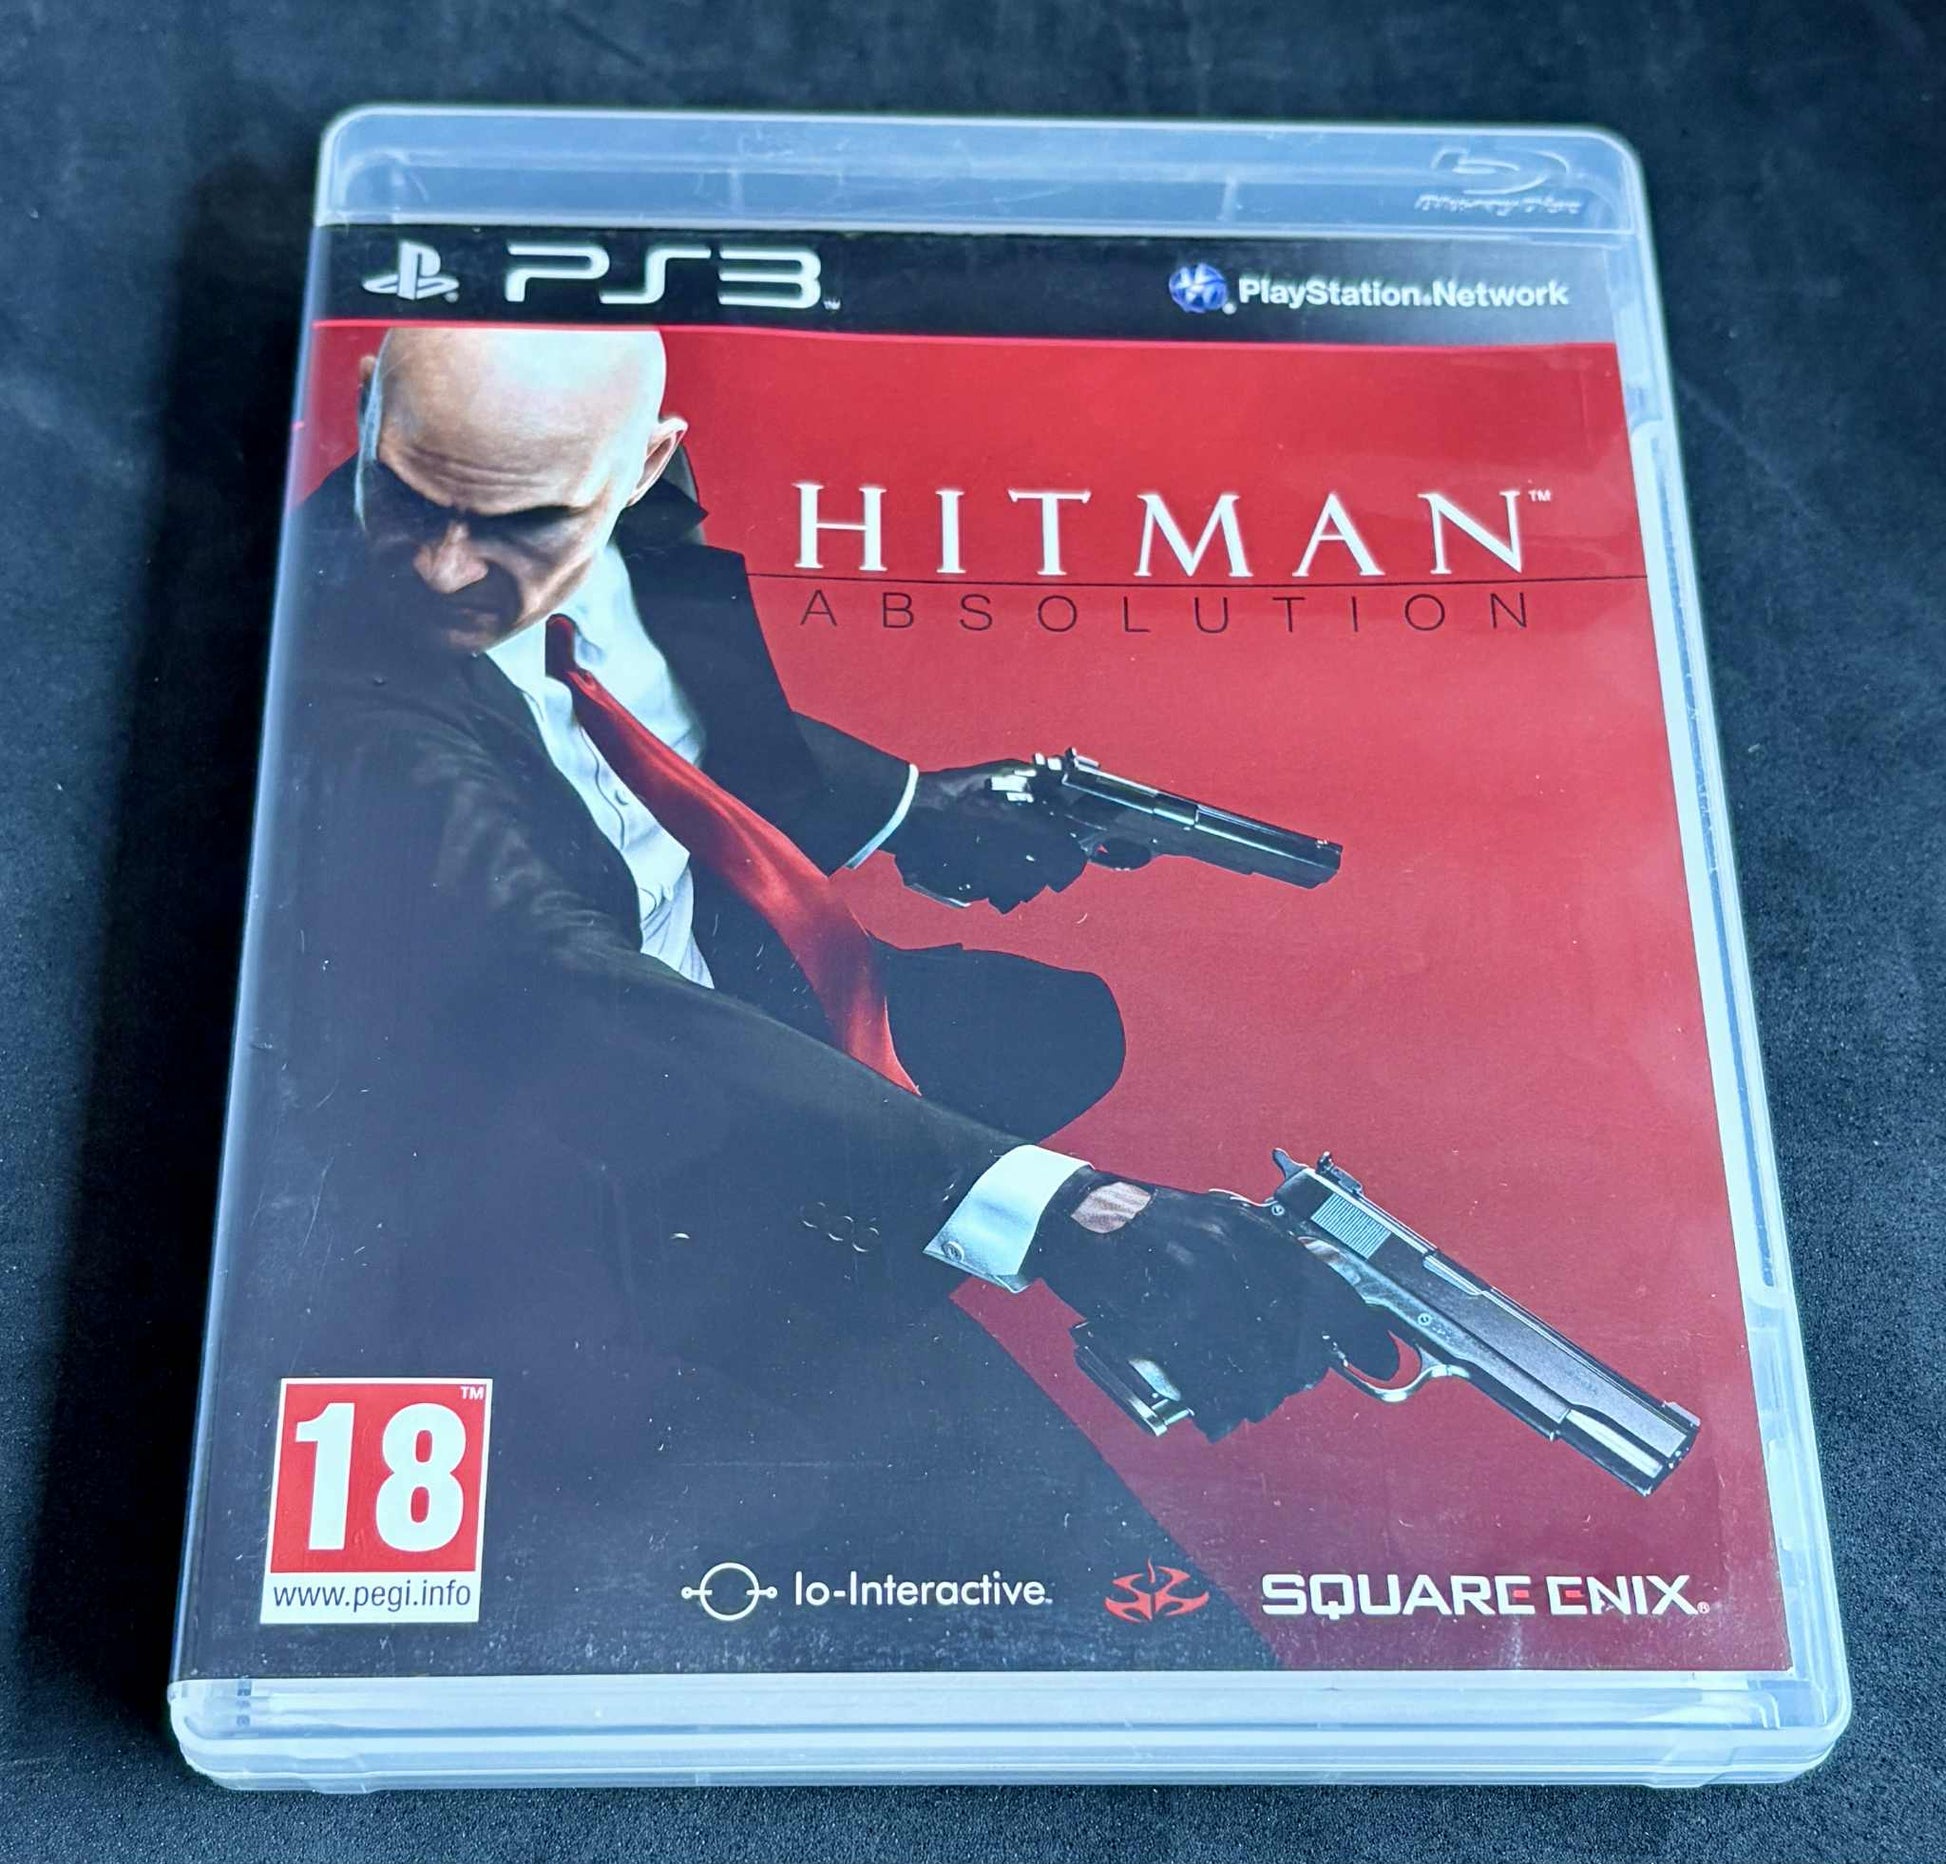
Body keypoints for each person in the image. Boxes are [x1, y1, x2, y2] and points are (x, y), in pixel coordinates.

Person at [231, 325, 1393, 1670]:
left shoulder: (637, 514)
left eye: (523, 524)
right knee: (1131, 1635)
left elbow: (659, 713)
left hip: (771, 1070)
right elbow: (552, 986)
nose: (442, 568)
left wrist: (909, 807)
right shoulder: (339, 693)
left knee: (1058, 1040)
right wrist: (1062, 1209)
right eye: (405, 501)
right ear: (367, 417)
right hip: (562, 1222)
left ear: (641, 468)